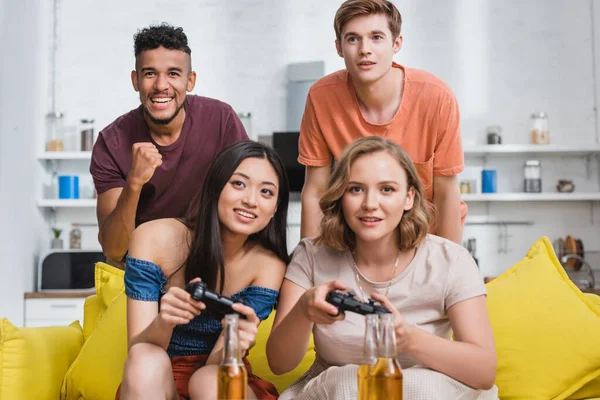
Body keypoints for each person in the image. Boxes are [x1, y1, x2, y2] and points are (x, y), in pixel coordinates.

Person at [267, 137, 498, 400]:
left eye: (387, 189)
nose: (370, 203)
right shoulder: (311, 255)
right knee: (347, 381)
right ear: (340, 196)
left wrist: (407, 337)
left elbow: (484, 371)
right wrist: (303, 310)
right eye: (355, 189)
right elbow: (279, 363)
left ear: (409, 197)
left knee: (419, 386)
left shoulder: (450, 260)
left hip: (428, 392)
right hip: (339, 393)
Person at [117, 141, 288, 400]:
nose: (251, 201)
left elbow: (216, 366)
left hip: (219, 377)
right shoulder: (153, 237)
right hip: (156, 380)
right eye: (239, 184)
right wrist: (165, 320)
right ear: (215, 187)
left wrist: (237, 342)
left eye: (266, 192)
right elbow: (138, 348)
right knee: (144, 358)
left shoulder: (269, 265)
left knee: (209, 380)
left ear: (275, 208)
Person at [299, 0, 465, 244]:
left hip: (426, 239)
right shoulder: (321, 97)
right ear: (339, 47)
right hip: (356, 240)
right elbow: (315, 192)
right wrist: (307, 268)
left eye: (376, 37)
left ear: (396, 43)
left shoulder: (436, 97)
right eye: (353, 39)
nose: (365, 49)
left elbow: (446, 193)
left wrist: (451, 267)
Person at [91, 23, 248, 266]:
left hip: (210, 259)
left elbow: (247, 198)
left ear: (190, 80)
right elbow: (113, 249)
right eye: (150, 73)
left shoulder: (222, 120)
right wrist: (134, 183)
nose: (161, 86)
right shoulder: (111, 142)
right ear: (136, 80)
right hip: (143, 269)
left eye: (173, 73)